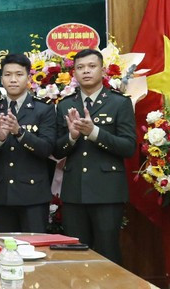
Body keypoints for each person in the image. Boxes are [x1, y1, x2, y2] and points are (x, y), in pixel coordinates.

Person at [53, 48, 136, 264]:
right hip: (74, 193)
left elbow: (128, 147)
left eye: (91, 66)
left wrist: (95, 133)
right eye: (80, 68)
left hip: (107, 192)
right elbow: (56, 150)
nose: (86, 71)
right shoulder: (65, 104)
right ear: (74, 74)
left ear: (103, 70)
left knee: (107, 252)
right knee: (75, 255)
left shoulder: (119, 103)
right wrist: (71, 137)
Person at [0, 53, 57, 233]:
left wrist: (20, 133)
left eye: (19, 74)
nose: (13, 79)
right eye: (8, 75)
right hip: (1, 193)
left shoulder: (43, 109)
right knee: (2, 251)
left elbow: (47, 148)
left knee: (35, 251)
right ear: (1, 79)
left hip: (33, 195)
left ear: (29, 78)